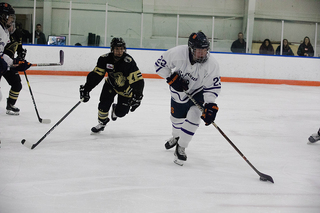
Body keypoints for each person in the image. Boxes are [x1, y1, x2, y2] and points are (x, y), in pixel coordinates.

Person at [154, 31, 221, 166]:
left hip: (198, 91)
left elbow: (212, 86)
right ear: (191, 49)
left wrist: (210, 105)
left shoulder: (212, 64)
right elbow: (159, 65)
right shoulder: (177, 54)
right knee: (177, 123)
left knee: (195, 115)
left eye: (205, 50)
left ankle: (181, 147)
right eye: (198, 51)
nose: (202, 54)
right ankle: (176, 136)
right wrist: (171, 78)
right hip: (178, 94)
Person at [79, 37, 144, 133]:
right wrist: (87, 88)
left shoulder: (128, 62)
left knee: (120, 113)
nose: (119, 51)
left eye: (121, 49)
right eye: (117, 49)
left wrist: (138, 96)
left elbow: (137, 80)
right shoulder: (104, 59)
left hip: (125, 90)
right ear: (112, 49)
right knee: (103, 106)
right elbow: (96, 75)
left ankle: (115, 109)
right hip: (111, 85)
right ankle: (102, 122)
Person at [0, 3, 31, 105]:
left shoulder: (5, 32)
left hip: (4, 63)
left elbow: (3, 53)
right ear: (3, 16)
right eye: (10, 17)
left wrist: (17, 60)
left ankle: (10, 105)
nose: (12, 19)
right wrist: (12, 62)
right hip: (3, 63)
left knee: (17, 84)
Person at [3, 20, 29, 115]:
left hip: (10, 64)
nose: (10, 28)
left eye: (11, 25)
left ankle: (10, 104)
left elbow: (19, 48)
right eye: (8, 25)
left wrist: (21, 56)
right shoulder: (2, 34)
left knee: (17, 84)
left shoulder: (17, 33)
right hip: (1, 63)